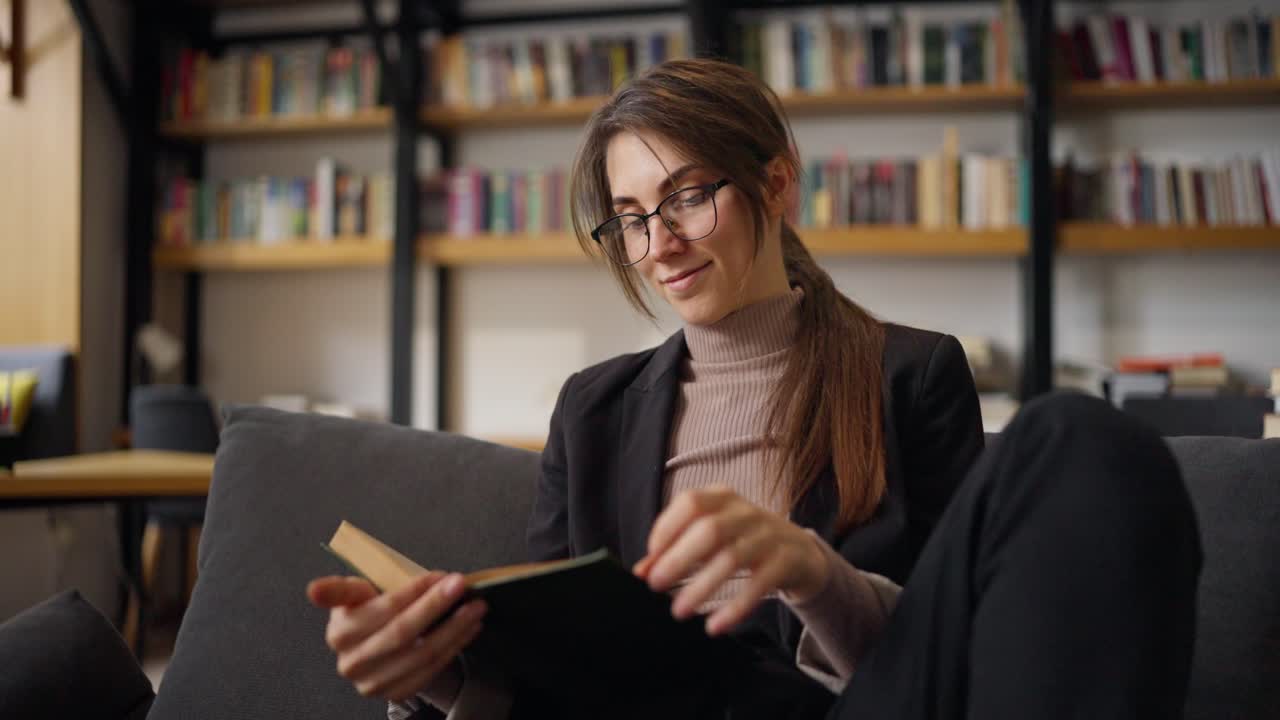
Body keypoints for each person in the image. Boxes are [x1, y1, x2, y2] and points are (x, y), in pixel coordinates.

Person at [307, 59, 1201, 720]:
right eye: (630, 220)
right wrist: (437, 666)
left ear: (776, 183)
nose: (658, 244)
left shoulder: (910, 374)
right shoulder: (593, 410)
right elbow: (554, 670)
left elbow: (964, 649)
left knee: (1085, 439)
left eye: (687, 196)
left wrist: (814, 574)